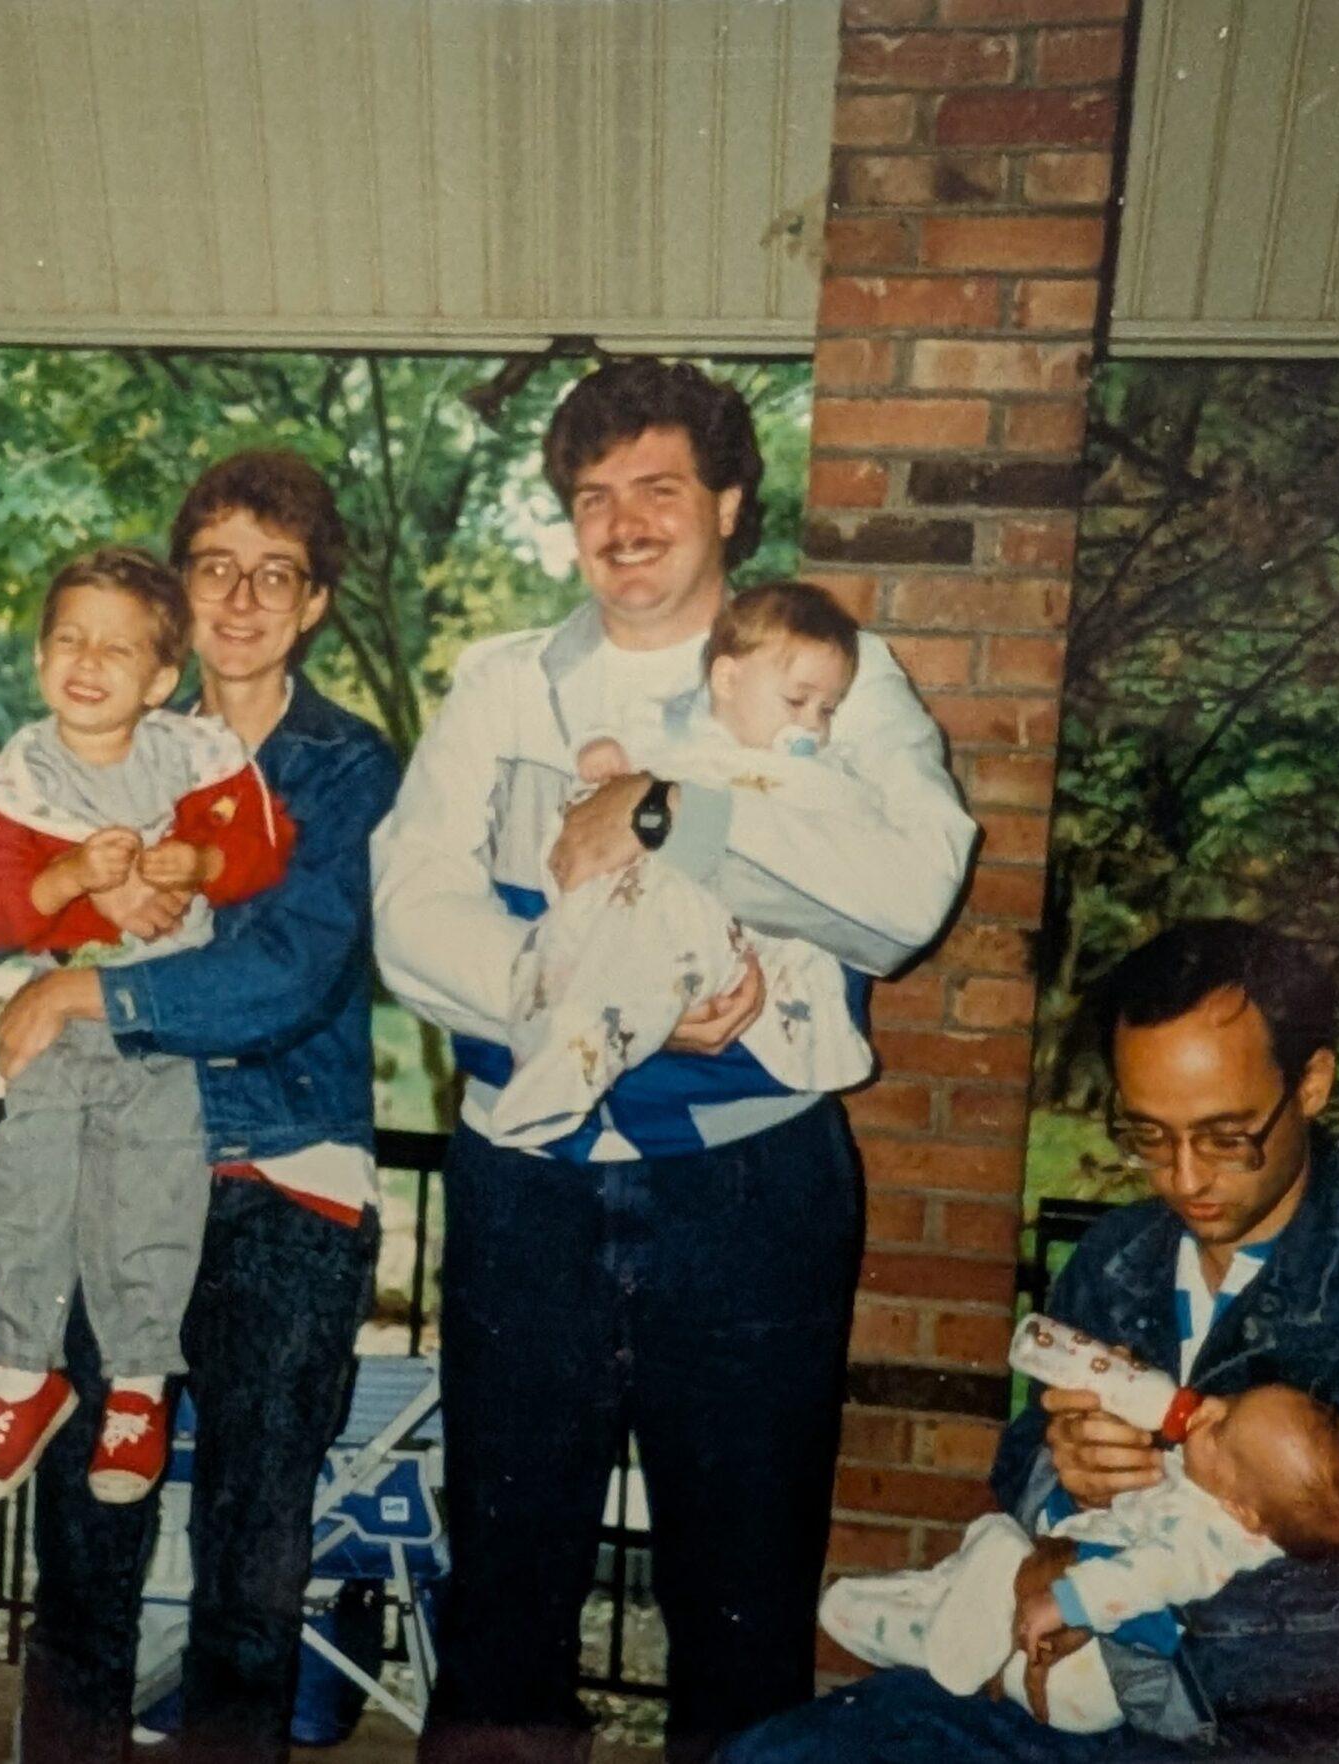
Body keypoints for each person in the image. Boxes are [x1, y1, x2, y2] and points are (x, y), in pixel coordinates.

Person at [371, 357, 978, 1763]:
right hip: (528, 1184)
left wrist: (671, 822)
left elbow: (908, 890)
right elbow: (409, 915)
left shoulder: (838, 668)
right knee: (504, 1595)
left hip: (751, 1189)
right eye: (593, 497)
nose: (624, 523)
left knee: (745, 1599)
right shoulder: (501, 686)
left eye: (658, 488)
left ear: (729, 501)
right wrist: (575, 990)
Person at [725, 919, 1339, 1764]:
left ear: (1311, 1084)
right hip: (1062, 1690)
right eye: (1149, 1136)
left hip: (1284, 1734)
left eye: (1226, 1135)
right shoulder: (1117, 1261)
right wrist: (1064, 1472)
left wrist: (1126, 1617)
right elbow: (1020, 1462)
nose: (1187, 1177)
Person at [0, 452, 401, 1764]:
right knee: (85, 1554)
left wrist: (87, 989)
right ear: (179, 590)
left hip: (283, 1183)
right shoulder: (105, 738)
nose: (243, 599)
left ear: (314, 602)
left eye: (277, 575)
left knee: (250, 1576)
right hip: (116, 1164)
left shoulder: (343, 766)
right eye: (215, 568)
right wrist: (59, 910)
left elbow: (293, 968)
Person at [0, 546, 294, 1505]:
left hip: (164, 1025)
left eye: (117, 648)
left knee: (153, 1197)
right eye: (68, 640)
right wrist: (68, 883)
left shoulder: (195, 757)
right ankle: (23, 1373)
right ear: (39, 658)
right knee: (27, 1188)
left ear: (162, 677)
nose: (89, 663)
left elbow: (263, 850)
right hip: (58, 1019)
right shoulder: (17, 780)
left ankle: (139, 1387)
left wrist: (196, 866)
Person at [824, 1312, 1339, 1735]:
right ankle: (946, 1623)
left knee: (996, 1539)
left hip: (1084, 1682)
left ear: (1245, 1513)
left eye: (1222, 1432)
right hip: (1070, 1674)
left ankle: (948, 1645)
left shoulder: (1208, 1542)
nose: (1211, 1409)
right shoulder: (1221, 1494)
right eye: (1233, 1401)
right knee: (982, 1566)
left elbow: (1143, 1578)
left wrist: (1067, 1603)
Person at [488, 580, 879, 1148]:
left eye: (827, 709)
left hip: (723, 921)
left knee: (658, 939)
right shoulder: (682, 741)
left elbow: (830, 840)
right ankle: (553, 1050)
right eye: (797, 702)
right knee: (571, 940)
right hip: (643, 901)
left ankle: (568, 1072)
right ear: (727, 679)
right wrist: (603, 756)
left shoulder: (814, 775)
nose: (811, 727)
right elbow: (613, 795)